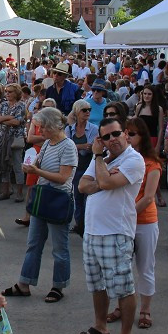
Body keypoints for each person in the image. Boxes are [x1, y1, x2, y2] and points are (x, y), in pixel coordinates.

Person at [74, 115, 145, 334]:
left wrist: (99, 167)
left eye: (116, 134)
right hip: (92, 231)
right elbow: (83, 186)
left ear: (125, 133)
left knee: (123, 287)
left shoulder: (134, 160)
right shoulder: (103, 159)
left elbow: (103, 181)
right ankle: (100, 326)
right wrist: (104, 178)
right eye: (107, 137)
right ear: (101, 140)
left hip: (116, 232)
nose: (113, 139)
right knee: (97, 284)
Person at [3, 107, 74, 303]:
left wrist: (36, 171)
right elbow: (39, 165)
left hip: (58, 199)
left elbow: (63, 177)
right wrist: (31, 167)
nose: (39, 131)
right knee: (33, 243)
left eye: (42, 127)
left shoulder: (68, 146)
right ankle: (24, 283)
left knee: (59, 247)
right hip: (44, 197)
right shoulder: (48, 144)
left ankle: (58, 285)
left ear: (52, 126)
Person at [105, 118, 160, 330]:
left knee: (145, 266)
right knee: (122, 268)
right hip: (125, 220)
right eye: (126, 133)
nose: (128, 137)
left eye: (133, 134)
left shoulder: (151, 163)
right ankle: (122, 306)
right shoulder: (119, 159)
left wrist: (127, 214)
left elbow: (148, 197)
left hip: (144, 221)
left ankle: (145, 309)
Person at [66, 99, 97, 236]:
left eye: (89, 109)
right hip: (74, 167)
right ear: (77, 112)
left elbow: (93, 148)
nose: (88, 112)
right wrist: (83, 146)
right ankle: (80, 224)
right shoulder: (69, 129)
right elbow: (67, 147)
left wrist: (78, 147)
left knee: (88, 197)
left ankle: (87, 224)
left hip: (88, 166)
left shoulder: (94, 128)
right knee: (77, 197)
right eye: (84, 110)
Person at [0, 84, 28, 203]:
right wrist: (8, 117)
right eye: (6, 91)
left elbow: (17, 122)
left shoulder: (21, 105)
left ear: (16, 93)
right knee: (4, 166)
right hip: (2, 139)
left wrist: (3, 119)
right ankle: (5, 191)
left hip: (15, 140)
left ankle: (19, 193)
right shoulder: (3, 104)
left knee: (17, 166)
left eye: (10, 92)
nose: (7, 93)